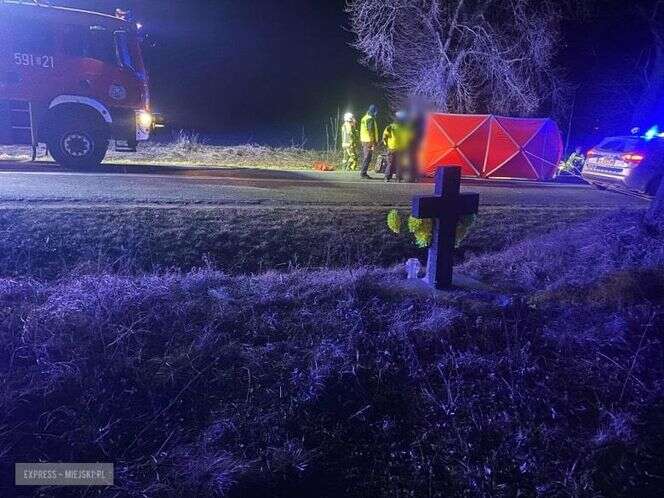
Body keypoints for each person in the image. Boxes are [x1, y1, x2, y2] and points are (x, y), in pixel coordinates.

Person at [383, 111, 412, 183]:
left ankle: (387, 177)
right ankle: (398, 178)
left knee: (390, 163)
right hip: (401, 148)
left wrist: (386, 144)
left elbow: (384, 137)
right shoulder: (404, 128)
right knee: (399, 163)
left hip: (391, 148)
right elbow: (408, 138)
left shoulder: (389, 127)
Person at [359, 105, 379, 179]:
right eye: (375, 112)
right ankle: (363, 173)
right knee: (367, 157)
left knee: (367, 157)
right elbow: (370, 131)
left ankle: (363, 173)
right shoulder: (370, 119)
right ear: (373, 111)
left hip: (365, 140)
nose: (376, 114)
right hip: (368, 141)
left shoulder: (364, 118)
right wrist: (372, 141)